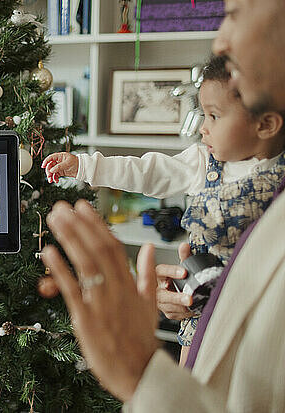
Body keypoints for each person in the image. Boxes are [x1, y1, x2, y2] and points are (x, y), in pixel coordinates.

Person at [40, 0, 285, 410]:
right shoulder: (204, 160)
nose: (203, 127)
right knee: (192, 372)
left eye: (236, 11)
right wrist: (84, 164)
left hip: (248, 340)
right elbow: (146, 171)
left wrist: (139, 372)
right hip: (198, 310)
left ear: (265, 125)